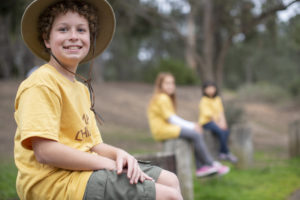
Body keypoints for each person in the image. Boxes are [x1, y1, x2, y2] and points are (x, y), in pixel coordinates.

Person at [14, 1, 183, 200]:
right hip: (53, 182)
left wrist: (120, 154)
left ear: (90, 38)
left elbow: (94, 144)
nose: (73, 36)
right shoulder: (42, 83)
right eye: (63, 29)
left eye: (81, 29)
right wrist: (108, 164)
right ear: (47, 39)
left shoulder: (81, 89)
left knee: (170, 180)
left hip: (81, 172)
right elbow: (45, 152)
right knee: (168, 197)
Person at [147, 72, 229, 178]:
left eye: (172, 83)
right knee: (195, 134)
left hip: (165, 128)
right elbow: (172, 119)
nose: (171, 86)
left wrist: (192, 126)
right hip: (162, 130)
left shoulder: (163, 97)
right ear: (160, 85)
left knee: (194, 134)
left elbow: (171, 118)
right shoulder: (162, 98)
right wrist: (192, 125)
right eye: (167, 83)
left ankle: (202, 168)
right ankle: (209, 163)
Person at [198, 81, 238, 163]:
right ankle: (226, 152)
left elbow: (221, 112)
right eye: (208, 88)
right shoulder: (204, 100)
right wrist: (219, 125)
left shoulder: (217, 99)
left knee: (226, 131)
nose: (210, 90)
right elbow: (209, 115)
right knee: (221, 131)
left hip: (217, 122)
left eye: (212, 88)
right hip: (207, 122)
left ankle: (223, 152)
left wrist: (224, 123)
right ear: (204, 90)